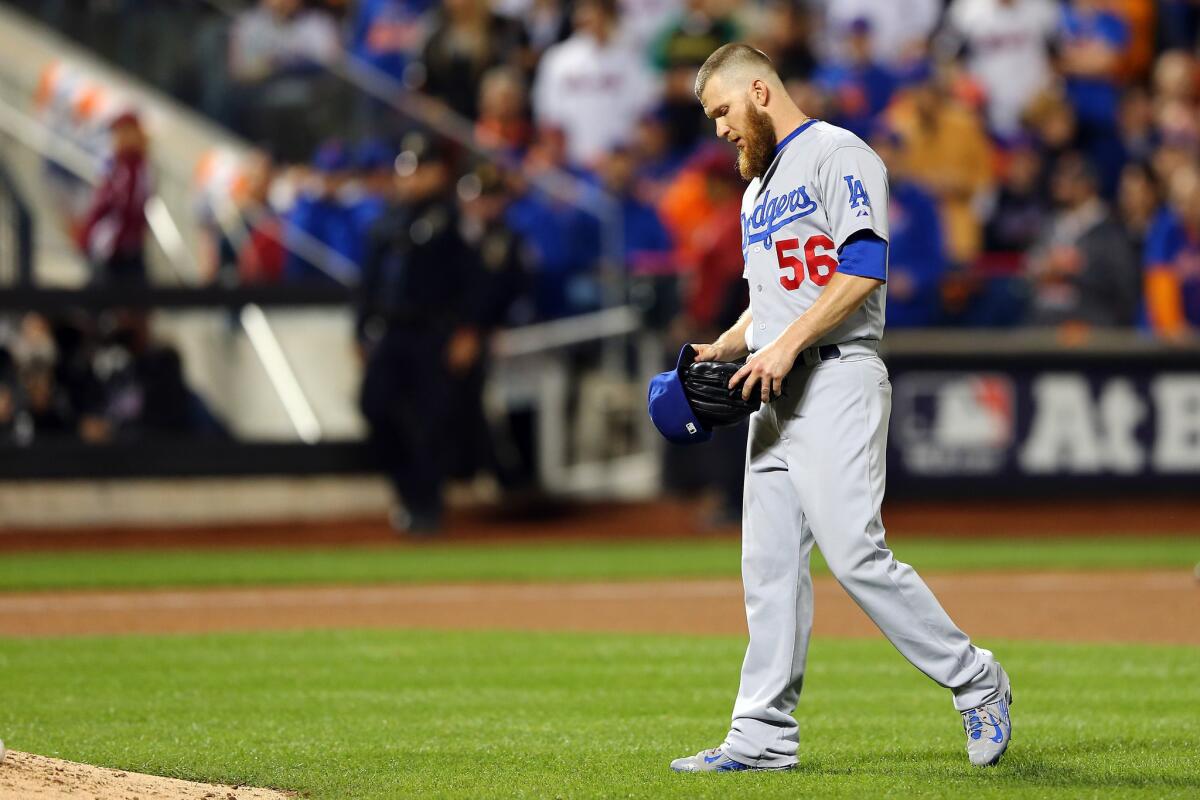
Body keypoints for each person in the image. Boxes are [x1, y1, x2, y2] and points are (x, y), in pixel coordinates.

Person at [670, 43, 1012, 774]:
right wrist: (725, 344)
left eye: (722, 111)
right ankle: (761, 734)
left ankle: (976, 679)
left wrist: (786, 345)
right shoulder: (755, 192)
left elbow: (863, 267)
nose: (720, 130)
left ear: (760, 90)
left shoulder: (838, 152)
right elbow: (768, 305)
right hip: (774, 388)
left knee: (855, 552)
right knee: (767, 568)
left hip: (835, 377)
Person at [357, 132, 484, 535]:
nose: (411, 179)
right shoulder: (389, 220)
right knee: (374, 406)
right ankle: (409, 493)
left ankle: (427, 506)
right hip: (391, 332)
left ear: (438, 172)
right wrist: (359, 329)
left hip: (434, 332)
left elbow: (472, 281)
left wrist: (469, 330)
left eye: (420, 170)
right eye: (406, 169)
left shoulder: (452, 221)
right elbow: (370, 281)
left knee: (431, 421)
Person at [76, 111, 152, 286]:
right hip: (111, 249)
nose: (117, 137)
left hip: (120, 251)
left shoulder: (135, 168)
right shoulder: (118, 165)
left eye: (123, 132)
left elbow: (125, 207)